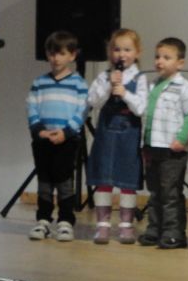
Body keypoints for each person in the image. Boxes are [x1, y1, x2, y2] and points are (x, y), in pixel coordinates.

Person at [86, 29, 148, 244]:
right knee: (103, 178)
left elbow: (141, 108)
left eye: (127, 50)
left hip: (128, 133)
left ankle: (126, 225)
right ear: (110, 52)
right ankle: (102, 225)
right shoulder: (103, 76)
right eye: (117, 49)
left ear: (137, 52)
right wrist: (109, 86)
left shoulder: (140, 78)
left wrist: (125, 93)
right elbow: (93, 102)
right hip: (106, 132)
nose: (122, 54)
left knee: (127, 179)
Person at [138, 37, 188, 249]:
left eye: (166, 57)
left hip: (172, 149)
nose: (160, 61)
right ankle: (154, 229)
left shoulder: (184, 87)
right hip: (152, 146)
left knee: (170, 193)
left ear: (180, 63)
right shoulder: (153, 85)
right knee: (155, 191)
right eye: (157, 56)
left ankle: (174, 233)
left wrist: (182, 138)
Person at [26, 30, 89, 242]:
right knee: (44, 181)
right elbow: (31, 107)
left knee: (64, 181)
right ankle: (43, 220)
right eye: (52, 53)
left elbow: (82, 111)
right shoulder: (39, 82)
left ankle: (65, 221)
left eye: (61, 54)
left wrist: (65, 132)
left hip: (67, 140)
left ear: (72, 55)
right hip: (43, 139)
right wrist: (39, 130)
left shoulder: (79, 83)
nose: (56, 58)